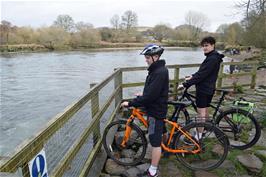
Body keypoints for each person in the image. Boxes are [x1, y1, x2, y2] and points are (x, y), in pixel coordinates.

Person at [120, 44, 169, 177]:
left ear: (156, 57)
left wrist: (130, 103)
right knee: (162, 130)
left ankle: (153, 172)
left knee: (154, 142)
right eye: (146, 57)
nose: (146, 60)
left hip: (155, 110)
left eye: (147, 57)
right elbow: (154, 91)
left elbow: (151, 96)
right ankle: (167, 149)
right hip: (158, 107)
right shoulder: (158, 70)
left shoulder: (158, 72)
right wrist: (143, 94)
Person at [178, 36, 224, 139]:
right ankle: (205, 129)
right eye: (203, 46)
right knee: (205, 110)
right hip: (209, 88)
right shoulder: (213, 57)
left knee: (201, 114)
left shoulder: (212, 58)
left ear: (213, 45)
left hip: (203, 89)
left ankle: (198, 136)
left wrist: (185, 84)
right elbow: (203, 72)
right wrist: (193, 76)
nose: (204, 48)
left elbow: (202, 75)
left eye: (207, 45)